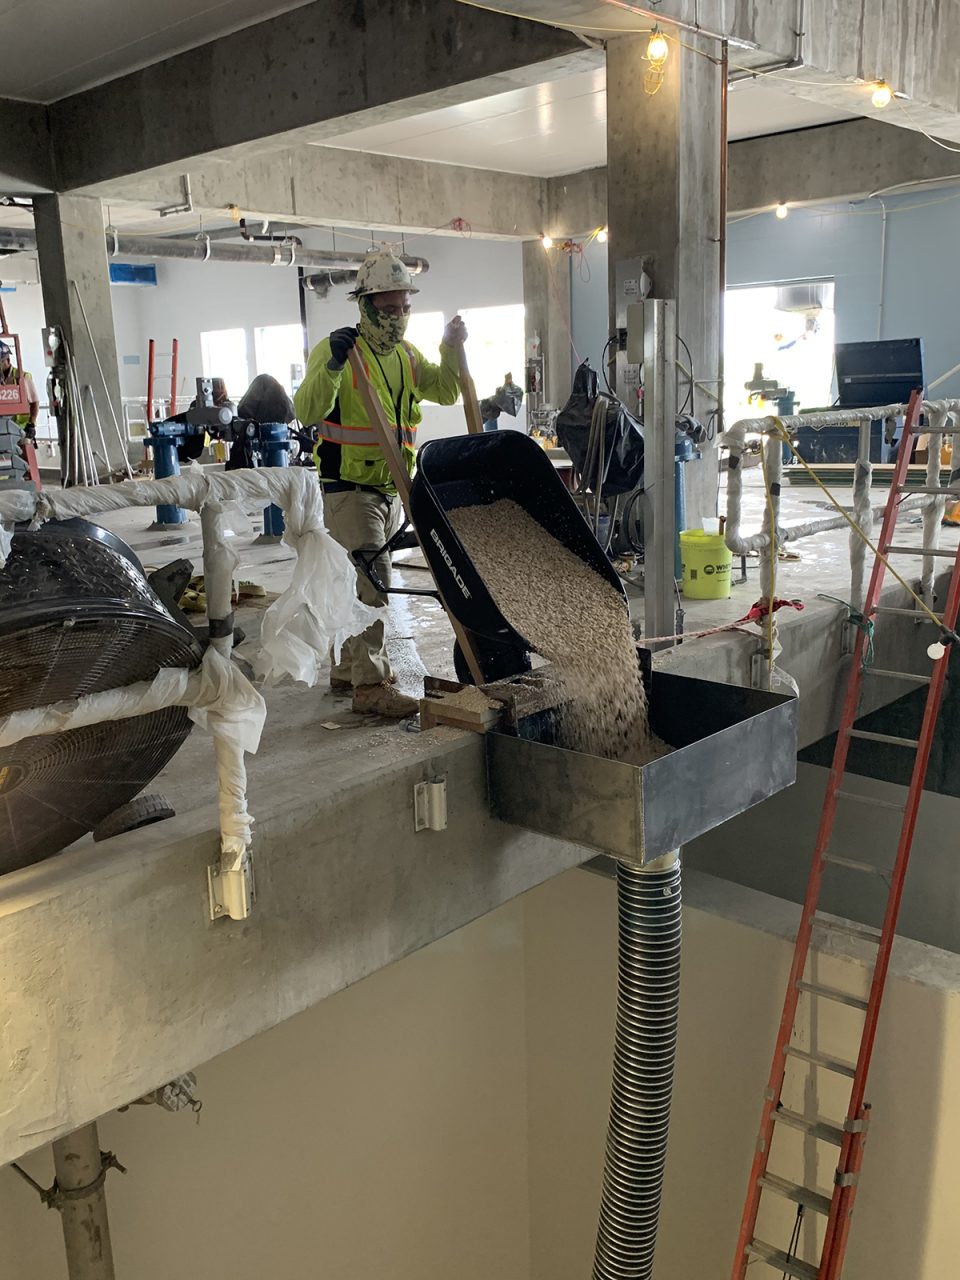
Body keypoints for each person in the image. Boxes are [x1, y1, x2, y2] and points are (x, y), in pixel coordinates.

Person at [294, 250, 466, 718]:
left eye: (405, 308)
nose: (399, 318)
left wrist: (451, 346)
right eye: (389, 309)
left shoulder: (407, 356)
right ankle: (370, 685)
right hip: (349, 487)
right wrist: (329, 365)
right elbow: (306, 410)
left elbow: (446, 390)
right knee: (375, 581)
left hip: (393, 486)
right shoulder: (342, 352)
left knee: (360, 582)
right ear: (365, 306)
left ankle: (349, 668)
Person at [0, 341, 40, 440]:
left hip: (21, 430)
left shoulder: (23, 377)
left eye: (0, 361)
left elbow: (35, 402)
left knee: (23, 451)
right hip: (3, 430)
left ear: (7, 360)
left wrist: (31, 424)